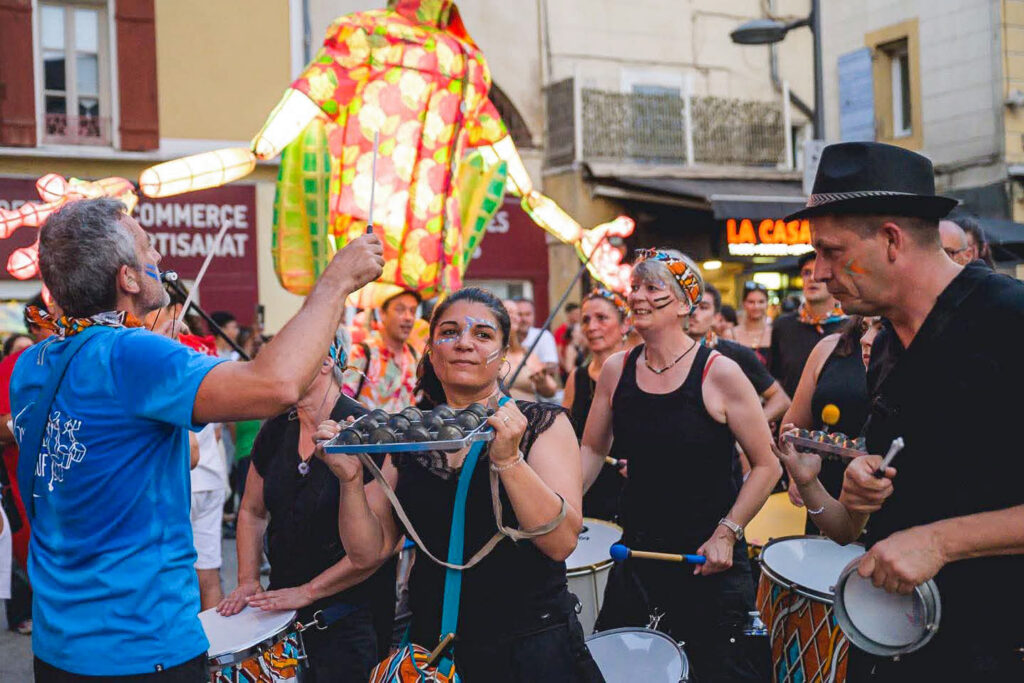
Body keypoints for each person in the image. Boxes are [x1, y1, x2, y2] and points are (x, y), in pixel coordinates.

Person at [11, 197, 383, 680]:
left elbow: (167, 454)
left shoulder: (34, 364)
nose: (160, 260)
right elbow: (276, 386)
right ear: (126, 278)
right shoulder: (133, 356)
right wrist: (336, 281)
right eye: (149, 248)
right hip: (143, 646)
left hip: (60, 644)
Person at [782, 141, 1024, 680]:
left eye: (830, 250)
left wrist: (939, 542)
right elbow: (860, 523)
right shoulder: (886, 341)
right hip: (894, 642)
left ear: (891, 239)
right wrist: (853, 493)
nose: (818, 272)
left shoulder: (1008, 319)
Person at [315, 287, 603, 683]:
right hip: (438, 649)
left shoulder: (542, 424)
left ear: (503, 358)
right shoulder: (410, 435)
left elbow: (561, 542)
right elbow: (368, 553)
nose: (464, 343)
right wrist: (349, 480)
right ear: (432, 352)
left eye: (482, 335)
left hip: (530, 646)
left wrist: (509, 460)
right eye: (449, 332)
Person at [581, 249, 780, 681]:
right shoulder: (616, 370)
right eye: (635, 287)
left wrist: (727, 534)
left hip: (710, 560)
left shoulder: (719, 372)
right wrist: (559, 504)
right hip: (637, 555)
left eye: (653, 288)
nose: (638, 296)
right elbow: (593, 450)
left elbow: (767, 465)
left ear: (685, 304)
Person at [218, 342, 384, 681]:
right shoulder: (277, 428)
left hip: (349, 617)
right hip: (282, 615)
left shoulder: (366, 428)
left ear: (325, 361)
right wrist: (248, 580)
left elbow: (379, 548)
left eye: (285, 356)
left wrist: (308, 591)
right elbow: (251, 510)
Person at [779, 316, 881, 533]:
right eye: (865, 327)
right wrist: (805, 481)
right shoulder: (831, 348)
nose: (867, 338)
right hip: (829, 499)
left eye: (881, 327)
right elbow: (845, 531)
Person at [562, 288, 630, 521]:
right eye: (586, 320)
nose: (591, 327)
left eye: (602, 318)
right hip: (589, 485)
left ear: (624, 325)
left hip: (632, 488)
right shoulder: (577, 377)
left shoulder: (641, 372)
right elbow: (565, 436)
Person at [688, 284, 790, 424]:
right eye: (690, 306)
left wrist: (753, 425)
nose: (694, 312)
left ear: (717, 317)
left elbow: (781, 399)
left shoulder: (735, 352)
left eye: (704, 307)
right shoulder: (665, 352)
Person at [769, 251, 846, 397]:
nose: (812, 278)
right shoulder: (782, 325)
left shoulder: (851, 326)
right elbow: (774, 377)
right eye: (806, 272)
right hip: (790, 416)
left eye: (819, 272)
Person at [343, 290, 420, 413]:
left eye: (413, 311)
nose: (408, 317)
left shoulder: (415, 357)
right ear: (382, 313)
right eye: (400, 310)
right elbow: (342, 402)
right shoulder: (361, 353)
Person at [502, 299, 557, 401]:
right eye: (509, 312)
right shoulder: (489, 352)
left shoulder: (526, 353)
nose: (515, 317)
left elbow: (551, 390)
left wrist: (542, 382)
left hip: (528, 414)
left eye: (517, 314)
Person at [514, 297, 560, 374]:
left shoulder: (543, 336)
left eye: (528, 314)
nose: (524, 319)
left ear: (534, 316)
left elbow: (552, 366)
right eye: (519, 314)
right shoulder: (505, 337)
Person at [733, 282, 772, 366]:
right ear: (744, 304)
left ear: (767, 304)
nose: (756, 306)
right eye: (751, 302)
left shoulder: (775, 333)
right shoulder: (731, 334)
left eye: (761, 302)